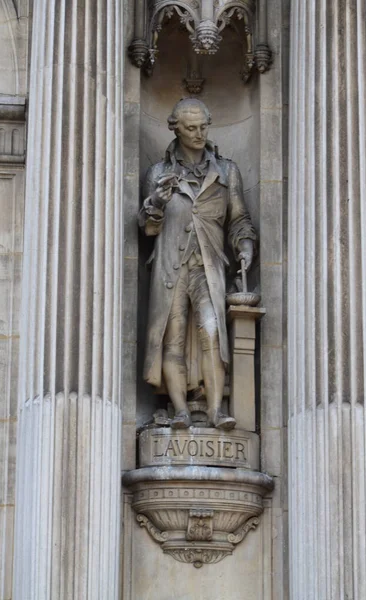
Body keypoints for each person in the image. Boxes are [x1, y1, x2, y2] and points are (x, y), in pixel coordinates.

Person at [139, 98, 256, 430]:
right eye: (191, 128)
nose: (199, 133)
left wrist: (244, 244)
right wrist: (157, 204)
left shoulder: (226, 171)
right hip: (169, 267)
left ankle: (218, 410)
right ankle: (179, 411)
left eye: (204, 126)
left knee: (212, 332)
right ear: (175, 127)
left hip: (208, 265)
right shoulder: (158, 174)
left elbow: (239, 219)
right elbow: (148, 227)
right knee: (171, 337)